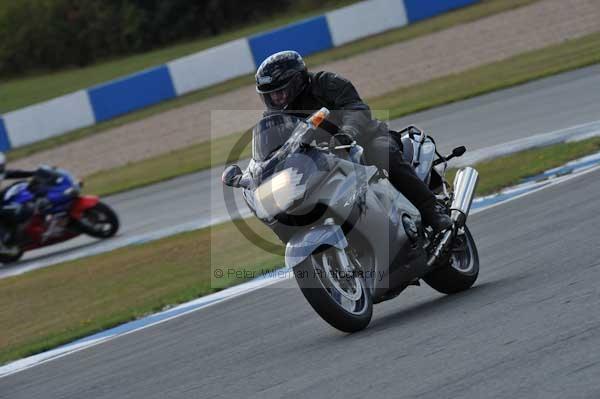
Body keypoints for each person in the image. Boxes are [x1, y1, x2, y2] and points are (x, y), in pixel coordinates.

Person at [255, 50, 452, 232]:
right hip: (320, 160)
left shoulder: (326, 83)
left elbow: (355, 108)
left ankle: (431, 209)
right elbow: (272, 150)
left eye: (280, 91)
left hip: (364, 139)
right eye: (271, 94)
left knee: (383, 152)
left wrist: (348, 131)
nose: (276, 98)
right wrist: (258, 172)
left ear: (297, 81)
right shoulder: (274, 118)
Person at [0, 162, 62, 245]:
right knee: (14, 210)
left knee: (19, 194)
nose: (2, 168)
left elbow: (14, 173)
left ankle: (23, 233)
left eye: (2, 166)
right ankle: (5, 240)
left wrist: (34, 172)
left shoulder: (2, 173)